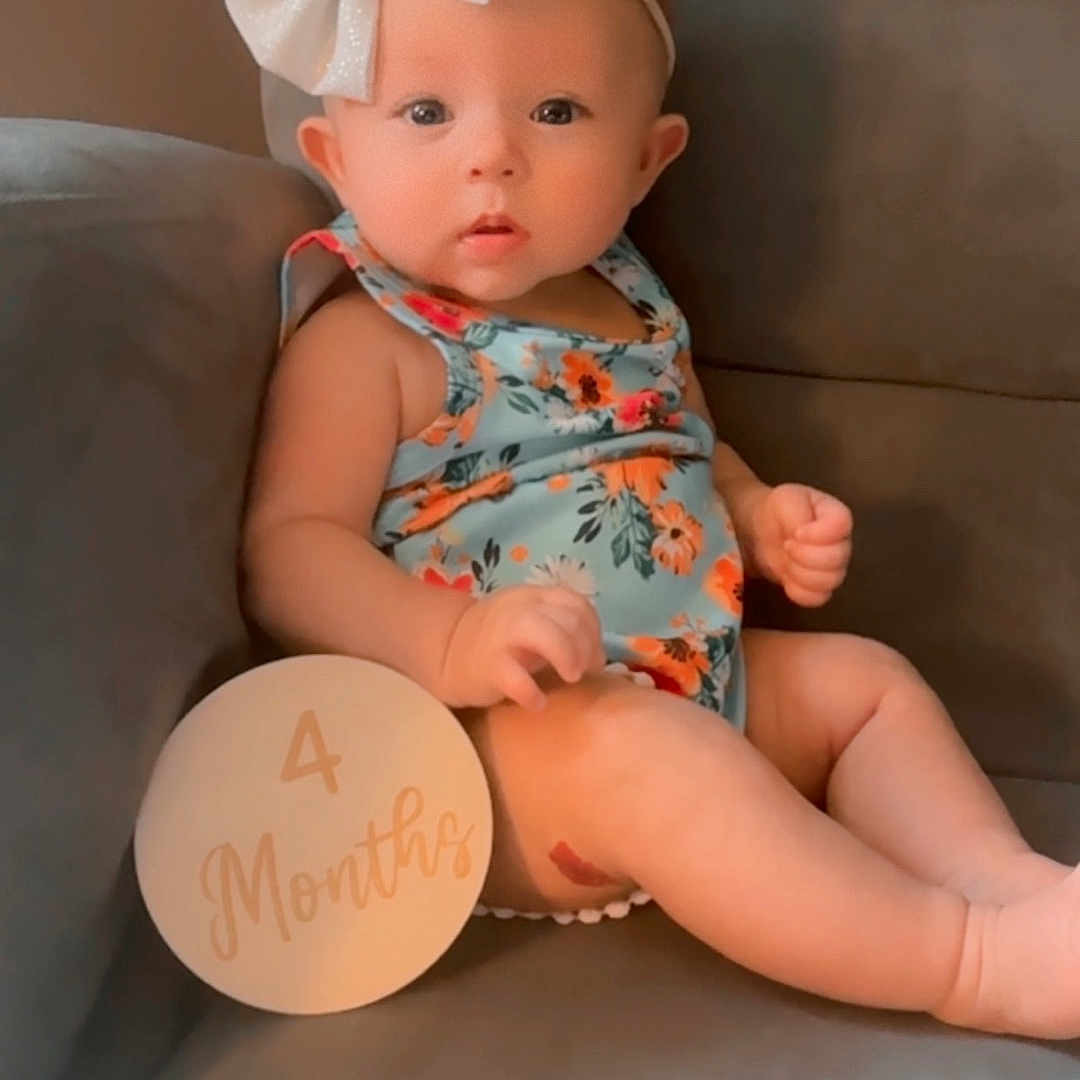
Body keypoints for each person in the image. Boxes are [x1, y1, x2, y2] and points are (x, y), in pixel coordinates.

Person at [235, 0, 1080, 1038]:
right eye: (424, 112)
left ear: (645, 161)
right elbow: (288, 551)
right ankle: (966, 959)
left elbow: (687, 450)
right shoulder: (369, 345)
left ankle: (1009, 886)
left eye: (554, 110)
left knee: (866, 685)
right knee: (648, 758)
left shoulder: (636, 303)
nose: (491, 157)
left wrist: (759, 513)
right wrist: (451, 641)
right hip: (494, 750)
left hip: (700, 673)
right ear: (336, 158)